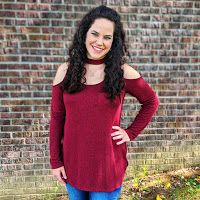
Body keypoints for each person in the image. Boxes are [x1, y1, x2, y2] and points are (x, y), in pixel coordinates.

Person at [49, 5, 160, 200]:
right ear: (84, 34)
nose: (99, 42)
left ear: (113, 42)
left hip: (107, 169)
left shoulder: (123, 72)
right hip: (73, 165)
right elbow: (57, 119)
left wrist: (130, 132)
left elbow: (151, 101)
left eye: (107, 37)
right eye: (95, 34)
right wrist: (55, 161)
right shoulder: (64, 72)